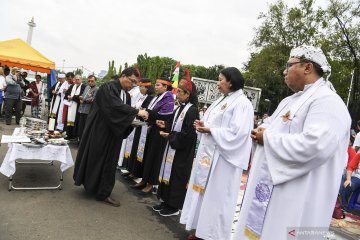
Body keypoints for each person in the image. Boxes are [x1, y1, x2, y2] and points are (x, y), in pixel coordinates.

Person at [235, 45, 351, 240]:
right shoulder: (290, 101)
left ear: (307, 68)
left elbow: (316, 145)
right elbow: (270, 126)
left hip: (298, 196)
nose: (284, 71)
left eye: (289, 65)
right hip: (272, 189)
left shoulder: (328, 101)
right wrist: (260, 133)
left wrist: (267, 138)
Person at [180, 67, 254, 240]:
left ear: (231, 81)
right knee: (204, 195)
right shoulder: (222, 100)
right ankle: (199, 229)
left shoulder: (242, 103)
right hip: (209, 155)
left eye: (220, 80)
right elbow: (214, 122)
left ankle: (212, 235)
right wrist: (202, 124)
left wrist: (211, 130)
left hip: (224, 160)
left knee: (217, 198)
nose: (217, 83)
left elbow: (239, 134)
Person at [73, 67, 149, 207]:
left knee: (110, 162)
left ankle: (103, 192)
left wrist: (131, 123)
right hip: (100, 131)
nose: (132, 85)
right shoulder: (108, 87)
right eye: (131, 81)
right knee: (97, 159)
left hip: (114, 133)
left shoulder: (125, 94)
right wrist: (136, 112)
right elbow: (114, 107)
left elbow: (121, 114)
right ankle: (93, 187)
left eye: (135, 83)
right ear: (123, 76)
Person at [153, 78, 199, 217]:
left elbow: (188, 134)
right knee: (169, 174)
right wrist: (164, 125)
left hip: (182, 151)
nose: (176, 93)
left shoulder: (192, 110)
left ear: (187, 94)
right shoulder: (180, 107)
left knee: (177, 176)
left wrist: (170, 136)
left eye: (179, 91)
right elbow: (172, 124)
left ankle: (174, 206)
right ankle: (166, 201)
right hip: (173, 147)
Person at [131, 77, 174, 195]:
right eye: (155, 84)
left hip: (159, 132)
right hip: (151, 128)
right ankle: (144, 180)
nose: (156, 87)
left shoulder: (169, 98)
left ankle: (151, 183)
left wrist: (148, 112)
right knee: (147, 155)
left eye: (159, 85)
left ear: (165, 87)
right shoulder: (157, 97)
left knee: (154, 158)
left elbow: (164, 117)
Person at [122, 78, 154, 179]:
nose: (140, 88)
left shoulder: (150, 98)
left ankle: (135, 172)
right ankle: (130, 169)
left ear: (147, 87)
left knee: (138, 148)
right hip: (136, 123)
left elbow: (145, 111)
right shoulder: (142, 97)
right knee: (133, 147)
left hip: (142, 125)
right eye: (139, 86)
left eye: (142, 87)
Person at [64, 75, 86, 140]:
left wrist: (72, 97)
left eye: (78, 79)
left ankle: (75, 136)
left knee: (76, 121)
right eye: (76, 79)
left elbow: (82, 95)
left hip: (78, 106)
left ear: (81, 80)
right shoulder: (72, 86)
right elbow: (67, 93)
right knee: (69, 119)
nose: (77, 80)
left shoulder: (83, 87)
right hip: (71, 105)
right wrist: (68, 96)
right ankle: (69, 135)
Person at [77, 75, 99, 142]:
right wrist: (81, 98)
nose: (90, 82)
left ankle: (84, 142)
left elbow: (94, 99)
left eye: (92, 81)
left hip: (88, 111)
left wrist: (84, 100)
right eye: (89, 81)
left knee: (86, 128)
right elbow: (83, 96)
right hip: (82, 110)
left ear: (95, 81)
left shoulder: (97, 89)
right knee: (81, 127)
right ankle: (80, 140)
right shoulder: (87, 87)